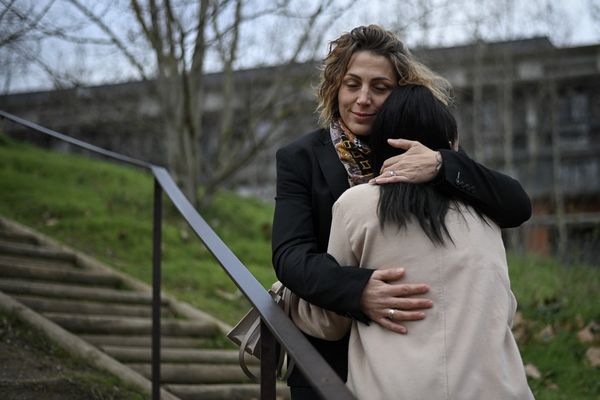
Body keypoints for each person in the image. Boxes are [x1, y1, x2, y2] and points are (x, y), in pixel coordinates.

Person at [272, 24, 531, 399]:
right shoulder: (300, 158)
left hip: (415, 356)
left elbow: (516, 205)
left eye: (380, 88)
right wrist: (359, 291)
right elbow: (291, 255)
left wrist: (442, 164)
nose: (363, 99)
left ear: (398, 94)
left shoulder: (427, 153)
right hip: (328, 360)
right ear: (335, 88)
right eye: (352, 84)